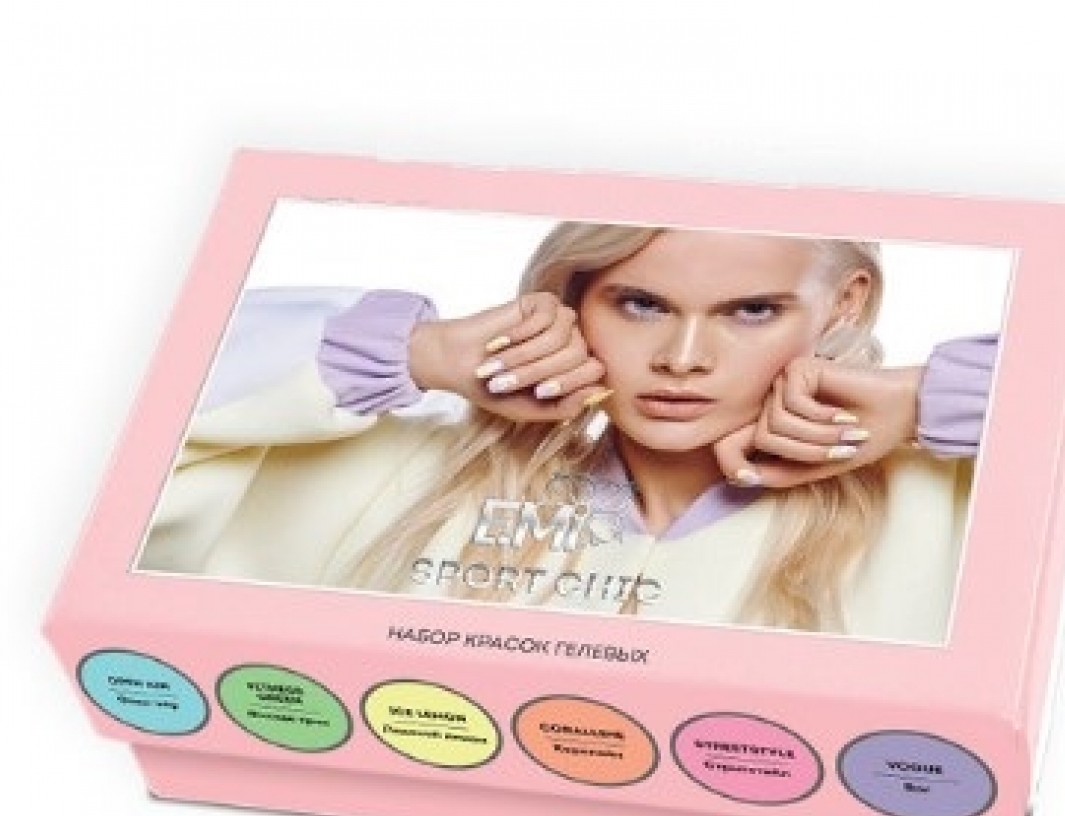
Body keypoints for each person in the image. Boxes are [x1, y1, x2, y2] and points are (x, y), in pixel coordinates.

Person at [141, 224, 994, 641]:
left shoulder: (946, 501)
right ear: (573, 300)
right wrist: (417, 353)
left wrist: (928, 400)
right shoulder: (399, 476)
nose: (683, 360)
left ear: (844, 304)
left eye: (751, 311)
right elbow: (133, 428)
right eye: (641, 304)